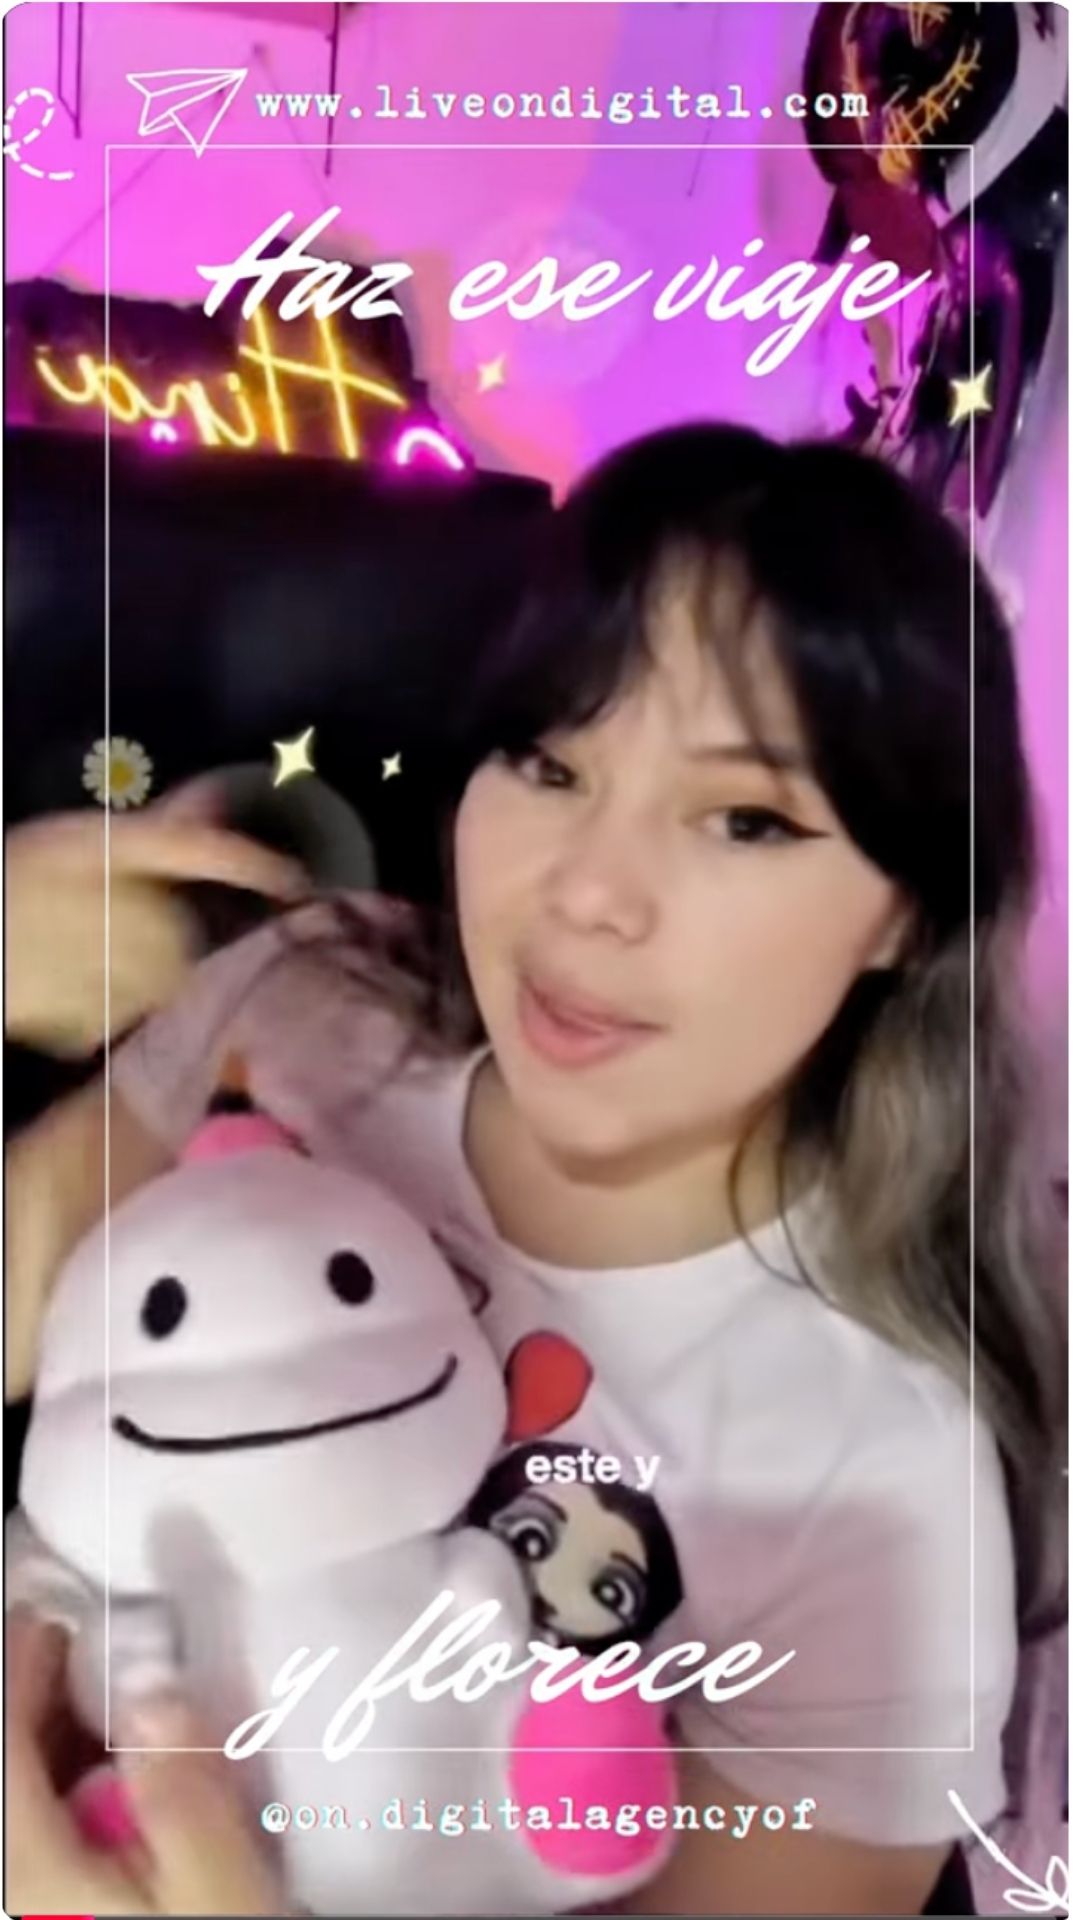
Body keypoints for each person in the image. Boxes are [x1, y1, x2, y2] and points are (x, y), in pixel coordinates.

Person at [4, 423, 1065, 1918]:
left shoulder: (881, 1483)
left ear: (909, 908)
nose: (587, 895)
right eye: (548, 761)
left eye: (746, 819)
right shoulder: (312, 1007)